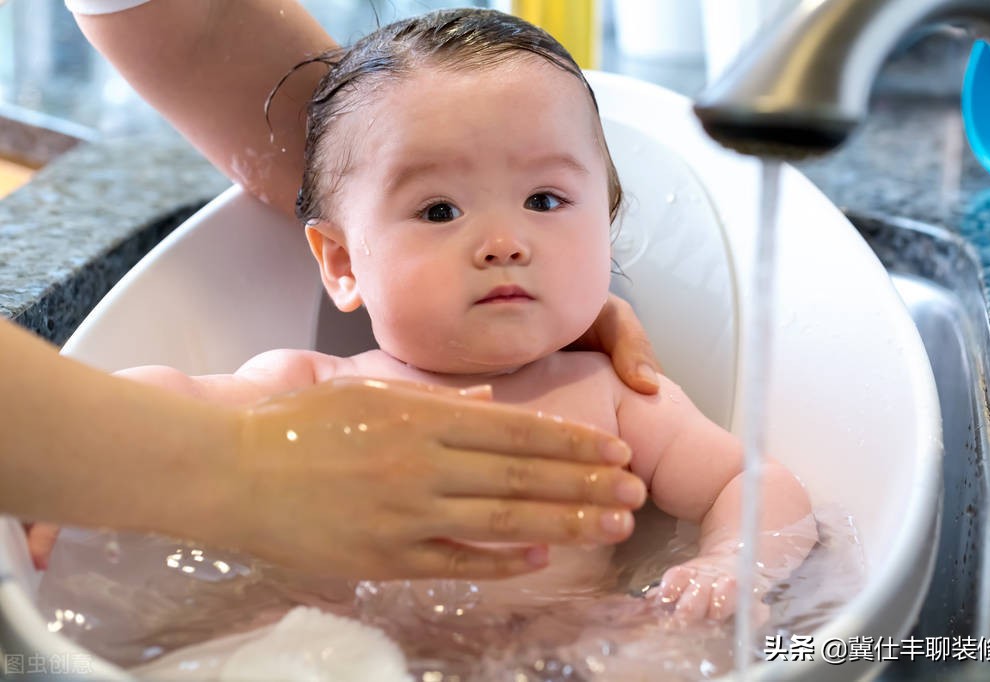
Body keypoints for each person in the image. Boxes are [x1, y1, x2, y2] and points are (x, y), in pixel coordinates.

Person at [43, 7, 817, 621]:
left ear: (603, 225)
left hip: (566, 641)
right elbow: (158, 407)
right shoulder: (312, 391)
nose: (505, 243)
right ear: (343, 263)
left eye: (545, 200)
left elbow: (750, 486)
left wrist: (726, 567)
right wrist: (71, 476)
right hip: (335, 642)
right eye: (439, 209)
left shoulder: (615, 399)